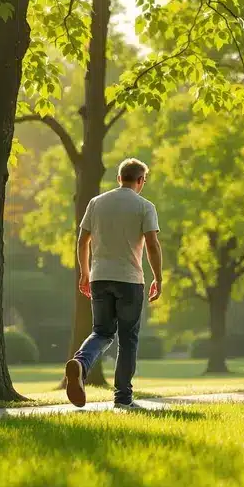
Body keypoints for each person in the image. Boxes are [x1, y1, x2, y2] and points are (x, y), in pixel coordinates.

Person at [64, 157, 163, 409]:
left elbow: (82, 241)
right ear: (141, 181)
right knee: (128, 339)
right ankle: (122, 398)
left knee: (102, 332)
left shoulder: (96, 203)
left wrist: (85, 273)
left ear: (119, 178)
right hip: (130, 280)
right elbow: (152, 244)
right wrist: (158, 278)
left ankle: (81, 363)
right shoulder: (145, 206)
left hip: (100, 277)